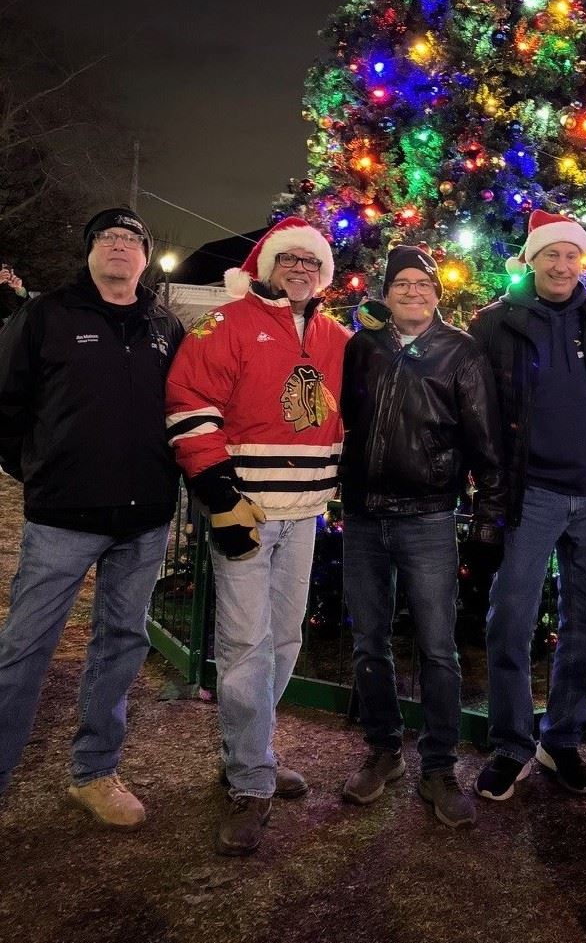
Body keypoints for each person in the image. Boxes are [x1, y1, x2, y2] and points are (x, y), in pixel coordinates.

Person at [165, 217, 350, 856]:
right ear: (268, 266)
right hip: (247, 509)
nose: (300, 268)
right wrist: (220, 497)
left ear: (323, 273)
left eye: (311, 261)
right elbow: (189, 403)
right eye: (289, 258)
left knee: (286, 636)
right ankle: (249, 777)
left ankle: (250, 751)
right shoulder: (226, 323)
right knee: (246, 642)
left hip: (305, 512)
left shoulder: (335, 335)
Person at [0, 208, 183, 827]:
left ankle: (95, 771)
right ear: (90, 251)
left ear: (144, 258)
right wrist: (37, 467)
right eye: (108, 237)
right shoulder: (46, 315)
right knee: (25, 646)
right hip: (63, 517)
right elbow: (6, 402)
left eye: (132, 239)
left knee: (121, 643)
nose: (120, 246)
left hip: (144, 518)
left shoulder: (164, 325)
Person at [339, 244, 507, 829]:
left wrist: (489, 515)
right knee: (370, 640)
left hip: (428, 518)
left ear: (438, 294)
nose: (413, 292)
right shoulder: (363, 348)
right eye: (402, 284)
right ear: (386, 294)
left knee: (438, 647)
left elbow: (486, 439)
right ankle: (383, 750)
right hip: (363, 516)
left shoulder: (461, 352)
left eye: (423, 284)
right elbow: (343, 417)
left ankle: (439, 766)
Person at [470, 210, 586, 800]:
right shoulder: (495, 323)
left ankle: (561, 738)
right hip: (529, 494)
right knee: (511, 618)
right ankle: (511, 745)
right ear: (530, 260)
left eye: (570, 255)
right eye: (550, 254)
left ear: (582, 261)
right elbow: (474, 407)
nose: (562, 265)